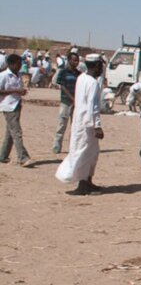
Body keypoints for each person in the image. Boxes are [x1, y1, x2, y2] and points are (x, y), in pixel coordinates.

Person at [56, 54, 105, 194]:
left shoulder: (82, 78)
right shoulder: (92, 83)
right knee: (84, 153)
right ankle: (82, 185)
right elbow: (92, 107)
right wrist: (97, 126)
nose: (102, 69)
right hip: (87, 124)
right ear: (96, 66)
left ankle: (88, 182)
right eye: (101, 66)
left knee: (92, 152)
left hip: (81, 121)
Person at [0, 54, 31, 166]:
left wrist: (21, 91)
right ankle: (23, 157)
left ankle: (3, 156)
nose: (19, 67)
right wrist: (15, 90)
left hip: (16, 105)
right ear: (11, 64)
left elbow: (19, 89)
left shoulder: (18, 75)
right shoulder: (3, 75)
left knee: (10, 132)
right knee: (16, 132)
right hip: (8, 106)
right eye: (18, 64)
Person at [52, 52, 81, 153]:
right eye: (74, 60)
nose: (76, 62)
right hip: (65, 102)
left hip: (76, 103)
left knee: (74, 126)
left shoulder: (79, 74)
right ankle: (56, 147)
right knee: (62, 125)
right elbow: (62, 86)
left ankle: (72, 147)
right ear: (69, 61)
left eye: (77, 60)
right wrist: (71, 97)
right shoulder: (63, 72)